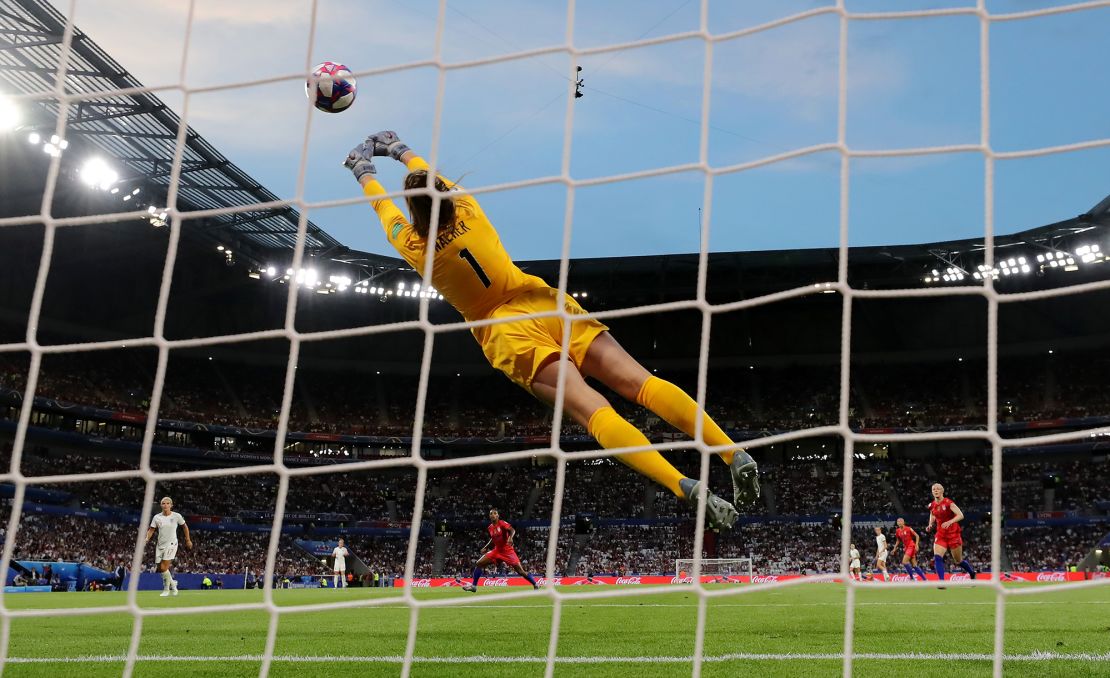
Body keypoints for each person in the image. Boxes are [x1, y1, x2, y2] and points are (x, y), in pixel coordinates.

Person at [345, 132, 760, 529]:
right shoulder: (468, 209)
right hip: (546, 304)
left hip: (506, 331)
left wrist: (362, 170)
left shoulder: (415, 247)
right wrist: (398, 149)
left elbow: (385, 211)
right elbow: (432, 178)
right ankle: (731, 452)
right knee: (642, 384)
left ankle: (682, 485)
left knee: (593, 411)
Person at [462, 509, 539, 592]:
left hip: (507, 551)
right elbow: (493, 539)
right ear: (489, 516)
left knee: (521, 572)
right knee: (479, 563)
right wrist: (486, 547)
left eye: (495, 513)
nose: (492, 515)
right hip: (497, 551)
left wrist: (510, 537)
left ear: (498, 516)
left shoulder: (502, 523)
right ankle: (474, 586)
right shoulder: (490, 527)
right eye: (491, 513)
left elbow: (512, 530)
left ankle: (535, 584)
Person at [926, 483, 977, 582]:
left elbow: (961, 515)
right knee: (937, 557)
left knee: (958, 561)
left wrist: (950, 521)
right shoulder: (931, 505)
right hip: (941, 534)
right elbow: (932, 514)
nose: (935, 490)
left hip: (953, 534)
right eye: (933, 489)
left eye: (938, 489)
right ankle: (941, 582)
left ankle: (971, 572)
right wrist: (930, 524)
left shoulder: (949, 503)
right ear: (932, 492)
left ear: (942, 491)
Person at [144, 496, 191, 597]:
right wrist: (146, 539)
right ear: (161, 505)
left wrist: (188, 540)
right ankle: (173, 584)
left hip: (172, 544)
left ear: (171, 505)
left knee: (164, 567)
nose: (165, 505)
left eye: (167, 503)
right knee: (160, 568)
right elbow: (151, 529)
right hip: (160, 544)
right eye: (163, 503)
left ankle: (166, 589)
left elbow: (184, 526)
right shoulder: (157, 517)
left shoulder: (176, 516)